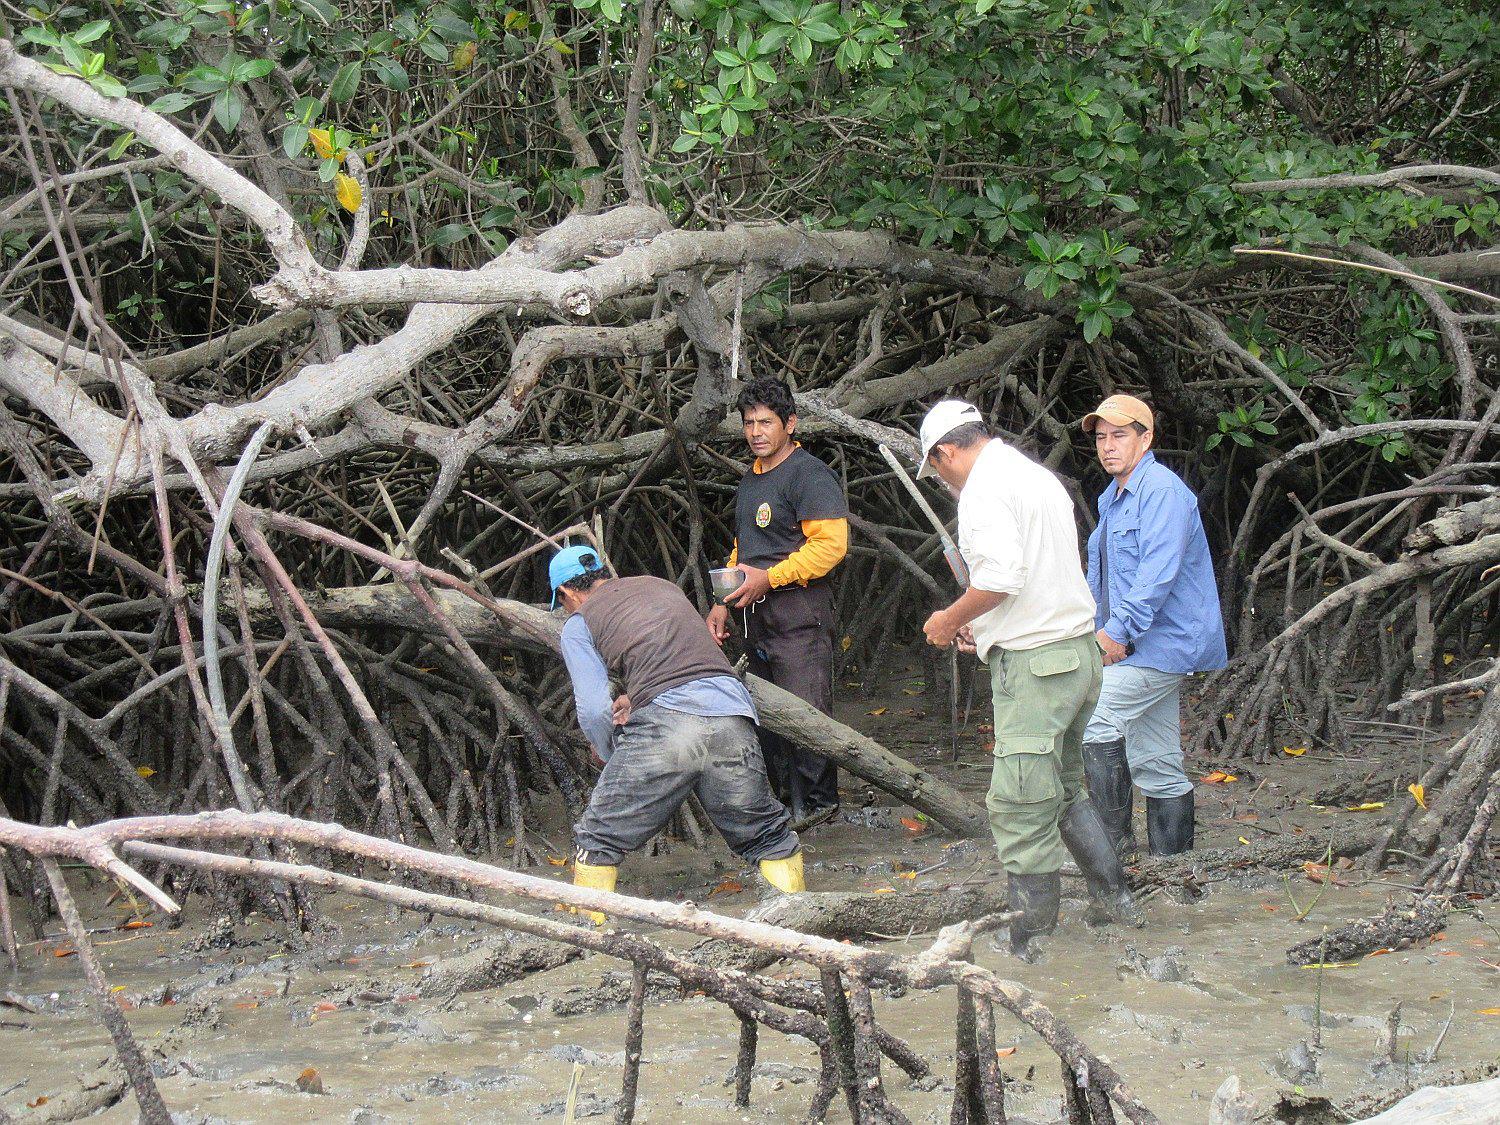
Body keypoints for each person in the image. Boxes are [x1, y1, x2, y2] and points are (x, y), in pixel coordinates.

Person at [915, 400, 1141, 961]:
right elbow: (1034, 577)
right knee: (1064, 790)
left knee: (1019, 804)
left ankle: (1031, 945)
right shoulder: (1035, 478)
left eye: (936, 470)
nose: (941, 481)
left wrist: (950, 620)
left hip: (1038, 671)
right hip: (1077, 655)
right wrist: (985, 627)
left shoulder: (983, 493)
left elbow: (998, 578)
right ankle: (1117, 903)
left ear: (946, 453)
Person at [551, 545, 804, 920]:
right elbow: (682, 664)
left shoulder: (579, 622)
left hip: (668, 727)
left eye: (563, 603)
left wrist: (607, 752)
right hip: (731, 712)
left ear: (567, 593)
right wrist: (637, 701)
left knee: (598, 838)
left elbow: (592, 710)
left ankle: (590, 940)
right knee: (768, 834)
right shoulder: (660, 586)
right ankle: (796, 923)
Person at [1080, 395, 1228, 859]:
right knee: (1158, 761)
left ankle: (1114, 854)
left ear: (1147, 439)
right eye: (1101, 437)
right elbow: (1100, 576)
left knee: (1093, 721)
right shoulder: (1114, 497)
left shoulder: (1161, 491)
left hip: (1167, 644)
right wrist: (1091, 626)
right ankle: (1175, 868)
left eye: (1119, 435)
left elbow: (1156, 575)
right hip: (1141, 645)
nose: (1108, 446)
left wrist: (1116, 633)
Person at [706, 377, 849, 832]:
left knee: (806, 711)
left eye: (766, 422)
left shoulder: (810, 474)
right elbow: (745, 546)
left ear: (790, 423)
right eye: (748, 423)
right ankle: (785, 805)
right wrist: (723, 602)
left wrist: (771, 577)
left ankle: (821, 807)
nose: (756, 432)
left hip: (799, 611)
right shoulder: (751, 479)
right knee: (766, 714)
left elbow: (831, 547)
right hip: (755, 615)